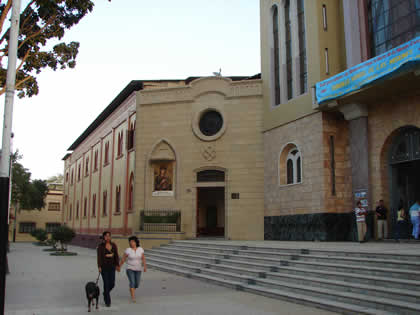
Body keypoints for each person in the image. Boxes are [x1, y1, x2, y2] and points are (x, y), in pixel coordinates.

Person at [119, 236, 147, 303]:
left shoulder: (140, 249)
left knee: (137, 284)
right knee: (132, 282)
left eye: (132, 242)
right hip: (130, 268)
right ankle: (133, 297)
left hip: (138, 269)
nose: (131, 243)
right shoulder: (128, 250)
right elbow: (123, 259)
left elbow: (143, 258)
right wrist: (119, 266)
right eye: (130, 242)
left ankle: (132, 288)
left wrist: (145, 266)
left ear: (136, 242)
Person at [97, 231, 120, 307]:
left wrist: (117, 265)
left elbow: (116, 255)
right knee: (106, 284)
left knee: (112, 283)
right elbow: (99, 257)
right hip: (104, 267)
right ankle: (108, 301)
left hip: (112, 267)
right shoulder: (100, 246)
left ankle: (105, 293)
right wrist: (99, 267)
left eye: (109, 236)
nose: (107, 237)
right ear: (103, 237)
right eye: (106, 236)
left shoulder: (113, 245)